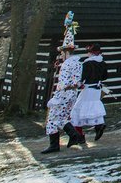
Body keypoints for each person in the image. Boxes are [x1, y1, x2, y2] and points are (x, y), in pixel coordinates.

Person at [41, 13, 84, 154]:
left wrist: (56, 96)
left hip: (64, 93)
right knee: (63, 117)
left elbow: (64, 82)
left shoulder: (66, 65)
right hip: (72, 94)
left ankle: (55, 144)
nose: (61, 55)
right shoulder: (78, 63)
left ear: (66, 51)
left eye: (62, 52)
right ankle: (74, 135)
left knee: (53, 118)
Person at [71, 43, 108, 141]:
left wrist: (78, 84)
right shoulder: (102, 63)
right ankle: (99, 125)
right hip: (97, 89)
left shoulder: (87, 63)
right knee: (94, 107)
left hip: (88, 88)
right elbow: (105, 77)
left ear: (91, 53)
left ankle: (80, 134)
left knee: (78, 108)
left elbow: (83, 77)